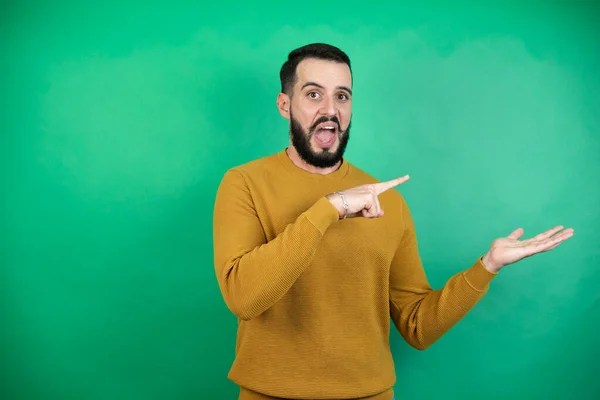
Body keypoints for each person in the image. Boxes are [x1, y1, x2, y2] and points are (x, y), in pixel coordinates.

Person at [212, 43, 574, 400]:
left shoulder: (386, 201)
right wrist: (330, 208)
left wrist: (487, 267)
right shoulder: (244, 183)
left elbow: (418, 325)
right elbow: (245, 299)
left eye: (342, 96)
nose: (330, 110)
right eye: (313, 94)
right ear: (284, 105)